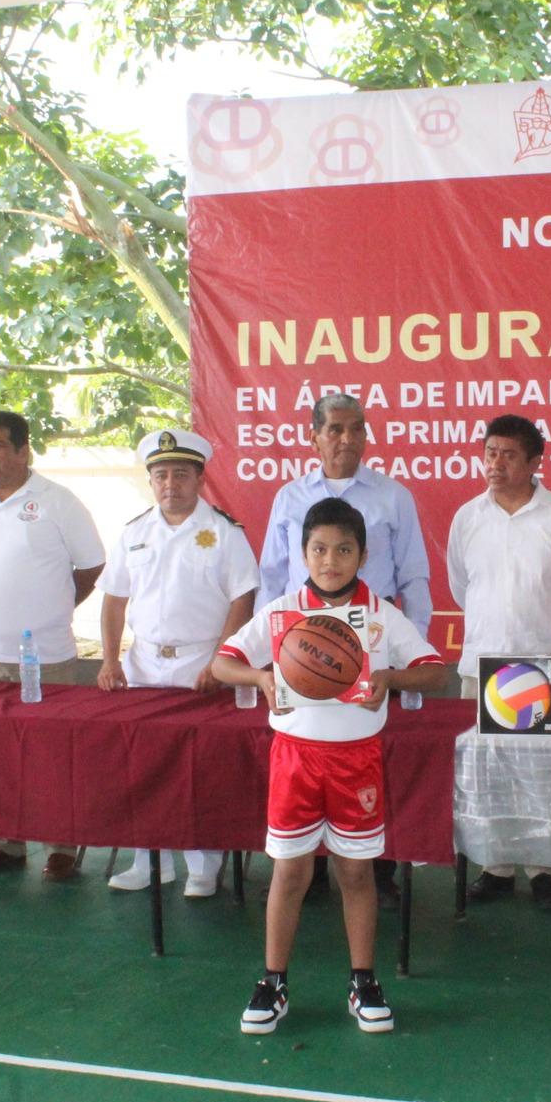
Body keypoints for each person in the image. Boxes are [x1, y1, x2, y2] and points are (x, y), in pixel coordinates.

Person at [214, 498, 449, 1035]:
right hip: (294, 757)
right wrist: (262, 679)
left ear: (362, 556)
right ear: (303, 554)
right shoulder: (280, 612)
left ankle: (362, 980)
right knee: (290, 871)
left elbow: (434, 671)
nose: (330, 560)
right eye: (319, 549)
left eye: (343, 549)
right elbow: (222, 662)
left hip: (356, 760)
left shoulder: (381, 617)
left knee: (355, 871)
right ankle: (273, 982)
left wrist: (389, 679)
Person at [257, 392, 433, 909]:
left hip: (372, 657)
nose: (346, 438)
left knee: (361, 761)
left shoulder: (393, 496)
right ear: (313, 436)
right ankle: (303, 870)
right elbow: (271, 577)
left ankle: (370, 871)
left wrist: (408, 655)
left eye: (357, 428)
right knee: (306, 757)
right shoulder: (289, 497)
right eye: (334, 429)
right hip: (299, 658)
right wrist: (272, 656)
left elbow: (414, 577)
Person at [92, 428, 258, 898]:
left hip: (200, 666)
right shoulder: (134, 532)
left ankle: (203, 864)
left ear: (200, 480)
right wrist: (109, 660)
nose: (170, 484)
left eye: (180, 475)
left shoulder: (225, 533)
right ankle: (149, 860)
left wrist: (224, 660)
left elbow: (243, 599)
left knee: (198, 769)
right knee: (142, 768)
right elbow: (114, 600)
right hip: (143, 666)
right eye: (161, 475)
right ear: (150, 481)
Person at [0, 409, 105, 882]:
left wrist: (52, 607)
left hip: (47, 655)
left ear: (23, 450)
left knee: (50, 754)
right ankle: (3, 842)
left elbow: (93, 568)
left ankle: (60, 845)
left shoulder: (58, 501)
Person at [447, 414, 551, 911]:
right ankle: (495, 865)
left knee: (539, 771)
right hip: (480, 662)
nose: (495, 464)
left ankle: (544, 868)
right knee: (487, 769)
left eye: (508, 454)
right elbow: (461, 585)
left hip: (541, 663)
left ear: (534, 462)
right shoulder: (468, 516)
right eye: (490, 452)